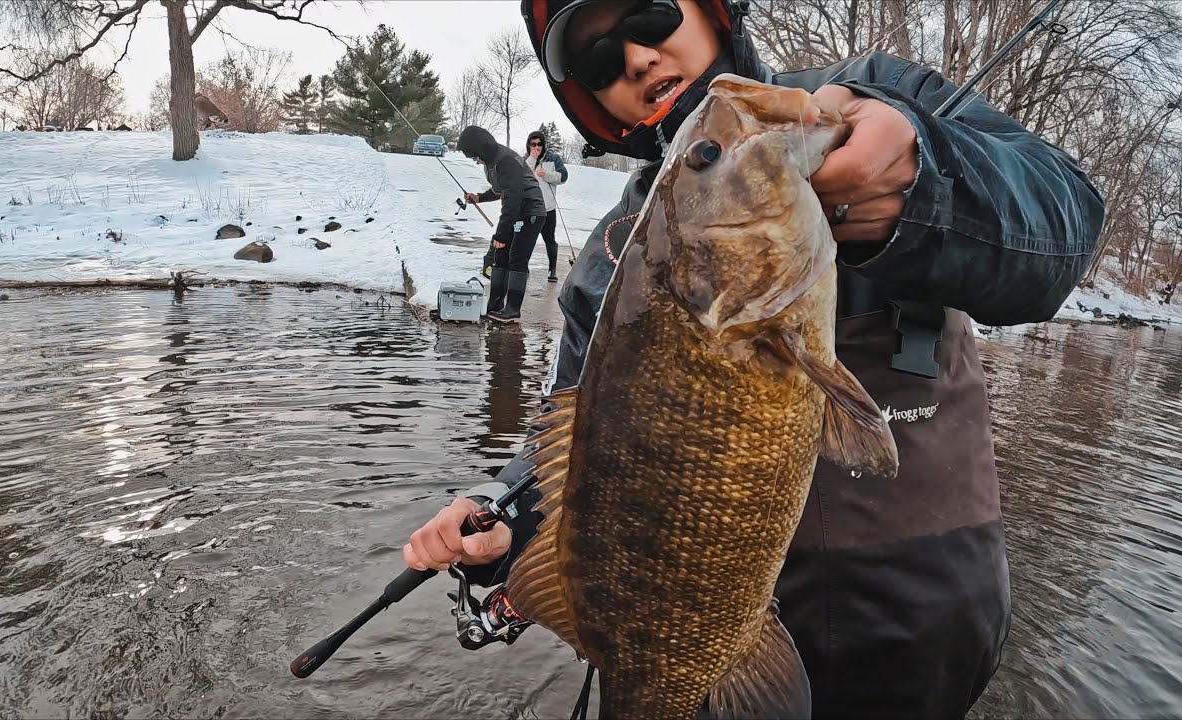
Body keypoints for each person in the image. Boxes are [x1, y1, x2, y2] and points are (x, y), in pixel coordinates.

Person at [409, 1, 1106, 717]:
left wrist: (922, 182)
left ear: (714, 11)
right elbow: (570, 434)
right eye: (596, 59)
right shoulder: (609, 257)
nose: (637, 59)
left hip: (917, 627)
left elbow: (1067, 229)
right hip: (703, 659)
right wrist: (509, 510)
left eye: (648, 15)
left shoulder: (877, 97)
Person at [458, 125, 549, 323]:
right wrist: (479, 198)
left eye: (475, 157)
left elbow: (513, 200)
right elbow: (501, 190)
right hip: (517, 210)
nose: (476, 161)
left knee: (516, 256)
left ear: (482, 149)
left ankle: (513, 309)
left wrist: (501, 235)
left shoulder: (506, 160)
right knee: (500, 255)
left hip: (530, 212)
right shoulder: (491, 162)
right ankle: (495, 303)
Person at [524, 129, 570, 282]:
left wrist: (548, 175)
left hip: (548, 207)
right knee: (527, 238)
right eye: (533, 144)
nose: (536, 147)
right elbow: (522, 178)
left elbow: (564, 177)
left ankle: (553, 269)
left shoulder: (553, 158)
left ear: (543, 145)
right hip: (530, 207)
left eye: (539, 144)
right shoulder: (525, 160)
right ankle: (523, 266)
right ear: (529, 145)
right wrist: (531, 159)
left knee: (549, 239)